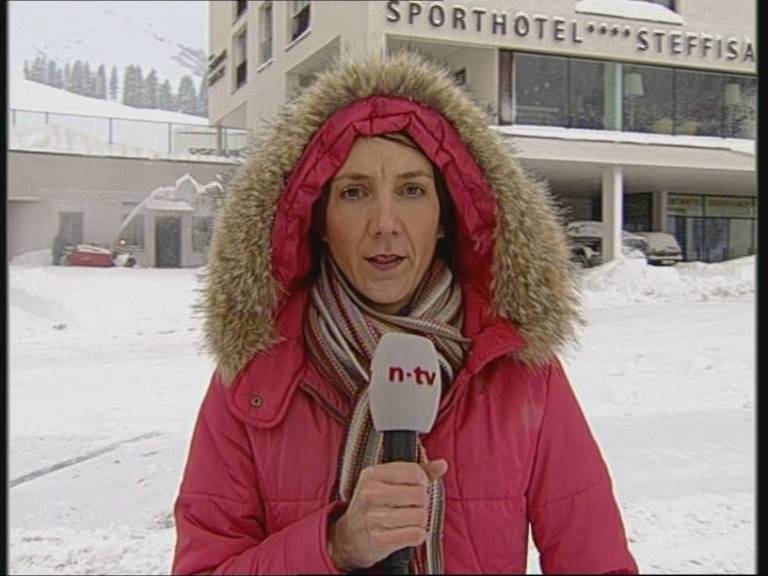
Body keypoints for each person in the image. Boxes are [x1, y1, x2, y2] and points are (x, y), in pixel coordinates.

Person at [172, 52, 639, 575]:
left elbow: (596, 561)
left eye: (412, 191)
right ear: (318, 220)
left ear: (444, 216)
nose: (385, 223)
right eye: (354, 193)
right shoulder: (254, 381)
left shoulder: (520, 370)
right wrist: (335, 545)